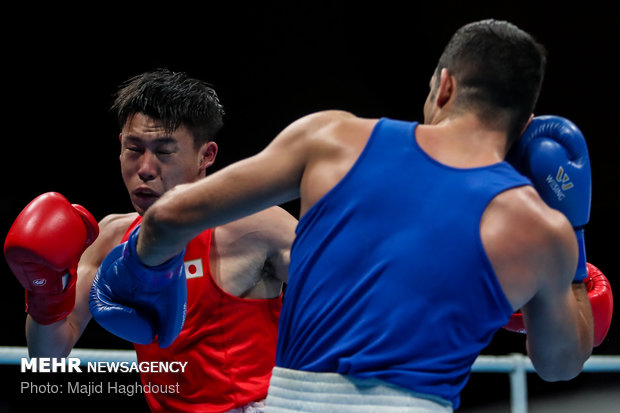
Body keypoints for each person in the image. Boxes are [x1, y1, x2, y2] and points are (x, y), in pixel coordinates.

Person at [93, 20, 612, 412]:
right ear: (524, 120)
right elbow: (561, 364)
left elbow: (169, 218)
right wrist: (574, 235)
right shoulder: (541, 230)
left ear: (444, 86)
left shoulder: (332, 139)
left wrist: (141, 275)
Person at [4, 69, 297, 413]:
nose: (145, 168)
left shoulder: (256, 225)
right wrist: (46, 289)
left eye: (164, 151)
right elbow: (47, 357)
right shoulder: (110, 237)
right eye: (134, 149)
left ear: (207, 155)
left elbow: (350, 305)